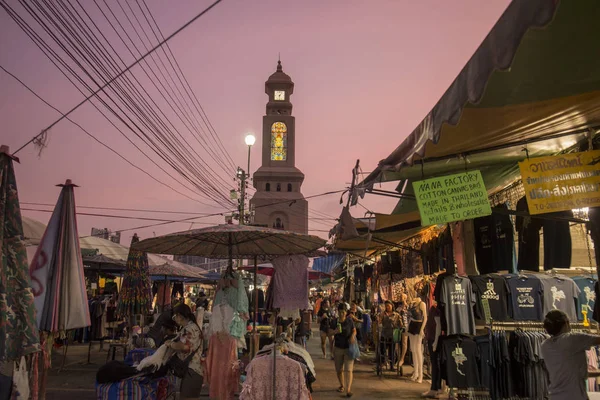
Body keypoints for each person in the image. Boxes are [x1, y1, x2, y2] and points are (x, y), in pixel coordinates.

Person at [541, 309, 600, 400]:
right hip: (575, 396)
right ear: (565, 323)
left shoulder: (545, 345)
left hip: (555, 396)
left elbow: (569, 371)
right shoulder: (573, 339)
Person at [165, 304, 204, 400]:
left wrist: (171, 344)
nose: (175, 319)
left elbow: (185, 347)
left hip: (192, 371)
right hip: (192, 371)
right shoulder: (190, 327)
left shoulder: (190, 328)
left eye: (175, 316)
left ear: (180, 315)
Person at [332, 303, 356, 398]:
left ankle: (348, 389)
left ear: (346, 312)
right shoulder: (334, 321)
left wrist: (353, 336)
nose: (342, 314)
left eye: (344, 312)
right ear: (338, 312)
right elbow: (329, 333)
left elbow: (354, 330)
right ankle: (342, 385)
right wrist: (335, 331)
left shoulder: (349, 320)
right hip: (338, 348)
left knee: (349, 370)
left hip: (348, 348)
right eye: (340, 312)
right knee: (339, 370)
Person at [407, 293, 427, 383]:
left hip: (419, 325)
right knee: (413, 349)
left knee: (418, 350)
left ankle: (421, 375)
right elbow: (410, 317)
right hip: (412, 325)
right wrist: (407, 327)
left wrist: (422, 329)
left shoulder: (422, 303)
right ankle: (415, 373)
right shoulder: (413, 303)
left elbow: (425, 318)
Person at [378, 300, 401, 371]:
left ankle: (392, 365)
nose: (387, 307)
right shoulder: (382, 314)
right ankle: (382, 363)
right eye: (386, 306)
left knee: (392, 350)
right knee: (382, 349)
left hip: (392, 334)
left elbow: (400, 324)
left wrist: (400, 327)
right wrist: (379, 320)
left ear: (392, 306)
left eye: (388, 305)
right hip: (384, 334)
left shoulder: (396, 315)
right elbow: (379, 322)